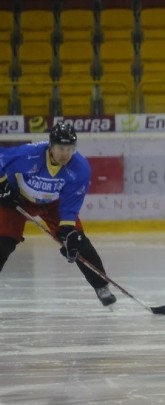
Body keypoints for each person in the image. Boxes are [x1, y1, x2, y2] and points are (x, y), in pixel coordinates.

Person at [0, 122, 118, 308]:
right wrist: (2, 185)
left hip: (54, 204)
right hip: (18, 199)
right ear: (51, 145)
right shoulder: (29, 154)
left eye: (69, 148)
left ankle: (102, 287)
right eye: (60, 148)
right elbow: (1, 158)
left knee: (78, 242)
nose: (65, 153)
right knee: (3, 243)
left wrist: (68, 230)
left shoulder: (80, 169)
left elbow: (71, 202)